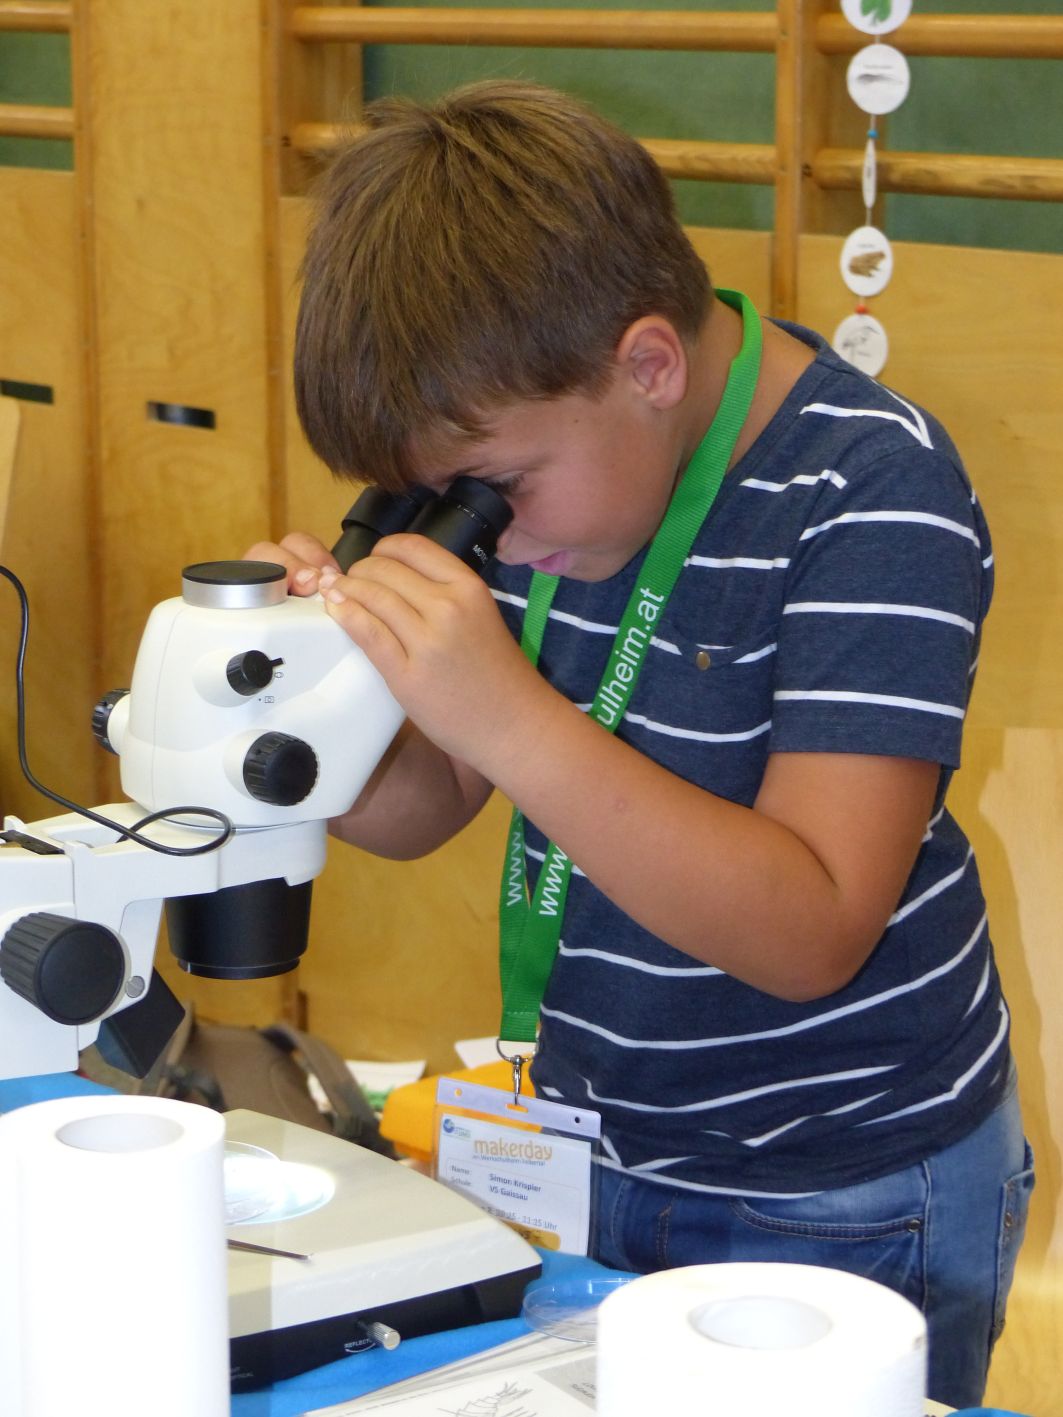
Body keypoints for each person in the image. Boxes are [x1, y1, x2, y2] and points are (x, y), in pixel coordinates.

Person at [246, 80, 1032, 1407]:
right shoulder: (543, 472)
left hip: (836, 1188)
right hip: (596, 1150)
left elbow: (813, 928)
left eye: (498, 489)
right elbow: (428, 801)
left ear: (650, 366)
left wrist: (508, 712)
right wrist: (309, 715)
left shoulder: (876, 493)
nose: (488, 532)